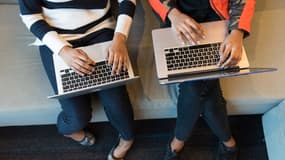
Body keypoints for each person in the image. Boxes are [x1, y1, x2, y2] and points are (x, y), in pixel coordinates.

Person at [18, 0, 136, 159]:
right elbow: (31, 16)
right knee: (77, 116)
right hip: (57, 36)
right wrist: (62, 50)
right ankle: (68, 131)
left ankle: (127, 140)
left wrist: (120, 37)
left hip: (100, 29)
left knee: (118, 104)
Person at [148, 0, 255, 160]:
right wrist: (173, 14)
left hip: (217, 20)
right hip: (180, 20)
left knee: (194, 87)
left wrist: (237, 31)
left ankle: (178, 142)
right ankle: (228, 141)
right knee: (203, 89)